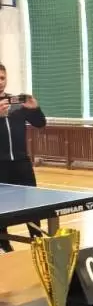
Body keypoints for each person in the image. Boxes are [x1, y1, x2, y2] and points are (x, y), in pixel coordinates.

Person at [0, 63, 47, 252]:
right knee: (2, 207)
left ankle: (37, 240)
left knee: (31, 204)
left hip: (21, 164)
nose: (0, 82)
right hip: (1, 166)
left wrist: (35, 109)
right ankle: (4, 243)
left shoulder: (16, 103)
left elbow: (40, 123)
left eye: (2, 78)